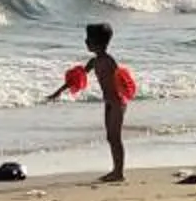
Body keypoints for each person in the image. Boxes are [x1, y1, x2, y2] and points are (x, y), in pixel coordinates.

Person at [47, 21, 138, 181]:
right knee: (110, 137)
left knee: (115, 138)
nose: (86, 42)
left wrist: (124, 96)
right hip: (108, 102)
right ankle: (116, 170)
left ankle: (119, 173)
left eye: (89, 39)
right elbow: (76, 78)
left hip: (117, 103)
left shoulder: (109, 61)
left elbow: (123, 79)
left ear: (100, 42)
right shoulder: (94, 62)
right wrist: (58, 92)